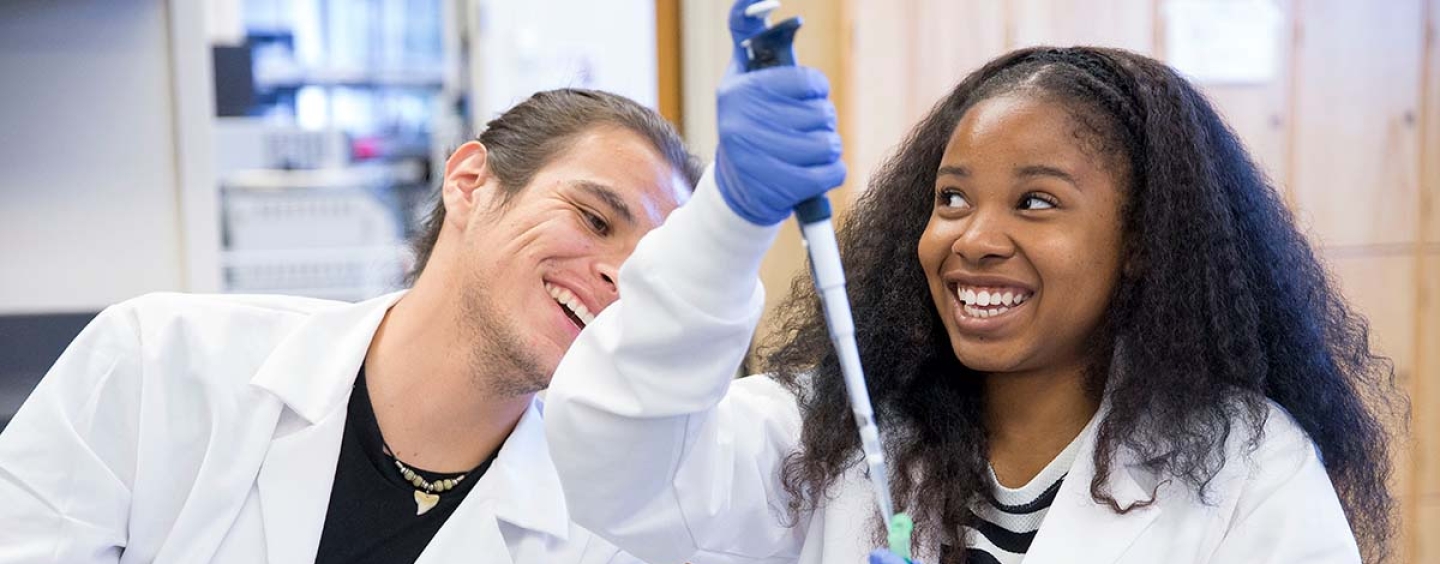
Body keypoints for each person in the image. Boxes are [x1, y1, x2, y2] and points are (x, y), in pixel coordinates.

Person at [543, 5, 1400, 564]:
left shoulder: (1246, 468)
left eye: (1036, 202)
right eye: (951, 198)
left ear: (1140, 242)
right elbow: (616, 465)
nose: (974, 239)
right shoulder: (842, 434)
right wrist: (729, 216)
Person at [0, 88, 703, 563]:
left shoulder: (599, 531)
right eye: (594, 218)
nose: (619, 276)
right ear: (469, 183)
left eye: (650, 268)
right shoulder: (156, 363)